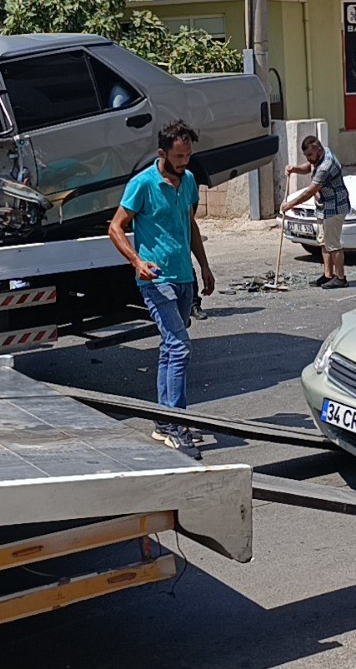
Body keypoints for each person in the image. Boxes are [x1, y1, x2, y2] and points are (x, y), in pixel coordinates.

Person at [107, 121, 217, 458]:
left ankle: (162, 421)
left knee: (171, 348)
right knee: (179, 346)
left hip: (184, 278)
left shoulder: (190, 183)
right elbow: (115, 227)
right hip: (155, 279)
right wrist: (137, 262)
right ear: (162, 153)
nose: (184, 161)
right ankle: (175, 424)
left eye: (188, 155)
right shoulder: (142, 184)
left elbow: (190, 225)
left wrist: (205, 266)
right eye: (179, 156)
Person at [281, 135, 352, 290]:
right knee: (324, 242)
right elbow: (309, 167)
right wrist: (295, 169)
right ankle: (328, 275)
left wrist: (289, 205)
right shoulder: (320, 155)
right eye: (307, 156)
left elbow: (309, 192)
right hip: (323, 207)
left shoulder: (327, 165)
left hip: (335, 207)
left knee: (333, 244)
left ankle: (341, 278)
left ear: (318, 150)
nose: (309, 159)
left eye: (310, 155)